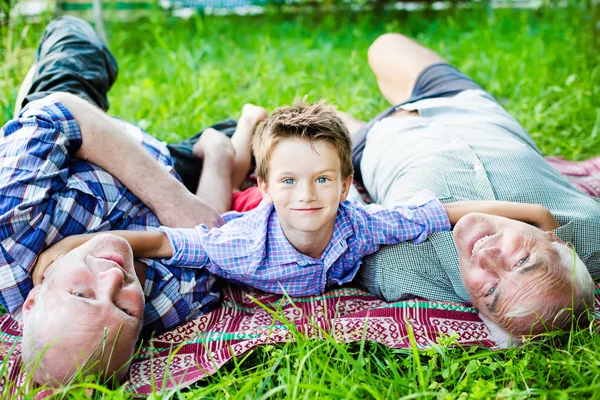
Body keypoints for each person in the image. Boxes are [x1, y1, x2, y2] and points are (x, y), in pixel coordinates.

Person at [37, 101, 560, 300]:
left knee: (299, 166)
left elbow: (441, 214)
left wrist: (534, 216)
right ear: (270, 187)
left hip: (285, 182)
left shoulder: (362, 224)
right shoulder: (240, 246)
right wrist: (83, 242)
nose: (308, 197)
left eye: (323, 181)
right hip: (240, 212)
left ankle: (264, 138)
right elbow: (163, 242)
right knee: (213, 201)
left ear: (345, 181)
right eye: (289, 182)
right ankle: (236, 137)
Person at [0, 16, 261, 386]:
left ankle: (44, 78)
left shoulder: (12, 226)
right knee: (269, 139)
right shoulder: (171, 303)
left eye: (82, 293)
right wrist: (217, 155)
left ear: (33, 300)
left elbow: (62, 111)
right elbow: (209, 237)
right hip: (164, 165)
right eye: (122, 308)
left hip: (85, 139)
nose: (112, 278)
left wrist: (172, 201)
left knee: (76, 41)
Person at [337, 33, 599, 345]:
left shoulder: (404, 271)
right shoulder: (591, 231)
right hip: (459, 102)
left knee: (312, 124)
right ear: (555, 241)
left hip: (377, 141)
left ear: (480, 312)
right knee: (385, 45)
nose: (488, 257)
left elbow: (342, 227)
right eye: (521, 261)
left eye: (491, 290)